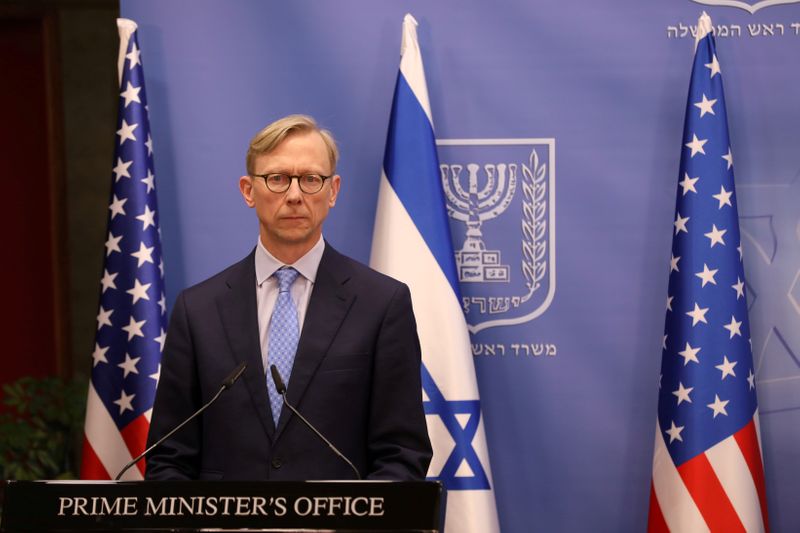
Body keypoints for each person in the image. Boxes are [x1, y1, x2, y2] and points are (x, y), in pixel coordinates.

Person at [145, 115, 432, 481]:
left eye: (311, 179)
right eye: (277, 179)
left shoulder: (381, 303)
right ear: (248, 190)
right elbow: (168, 458)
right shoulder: (198, 310)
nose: (295, 195)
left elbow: (403, 456)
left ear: (333, 191)